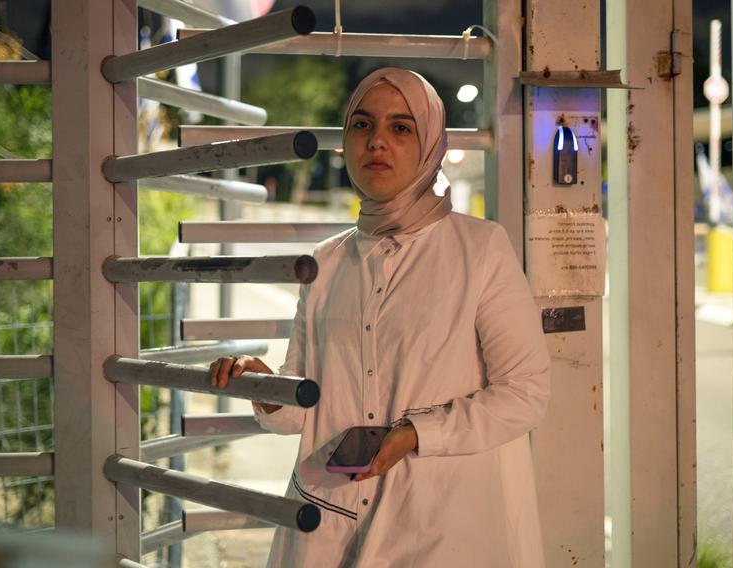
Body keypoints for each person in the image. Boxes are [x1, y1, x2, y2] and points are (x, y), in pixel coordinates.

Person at [211, 67, 551, 567]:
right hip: (330, 521)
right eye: (363, 125)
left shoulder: (480, 249)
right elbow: (307, 408)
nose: (377, 143)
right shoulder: (323, 264)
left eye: (401, 127)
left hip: (443, 528)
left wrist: (417, 434)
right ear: (345, 141)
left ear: (430, 143)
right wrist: (269, 392)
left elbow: (525, 393)